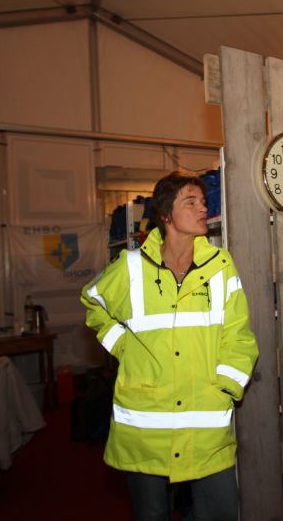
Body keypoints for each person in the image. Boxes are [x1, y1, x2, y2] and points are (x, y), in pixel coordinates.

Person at [80, 172, 259, 521]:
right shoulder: (131, 267)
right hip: (146, 428)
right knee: (151, 515)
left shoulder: (221, 266)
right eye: (190, 202)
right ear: (165, 215)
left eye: (203, 202)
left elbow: (240, 335)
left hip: (206, 426)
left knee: (220, 512)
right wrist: (124, 346)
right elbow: (93, 302)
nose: (202, 208)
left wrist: (225, 386)